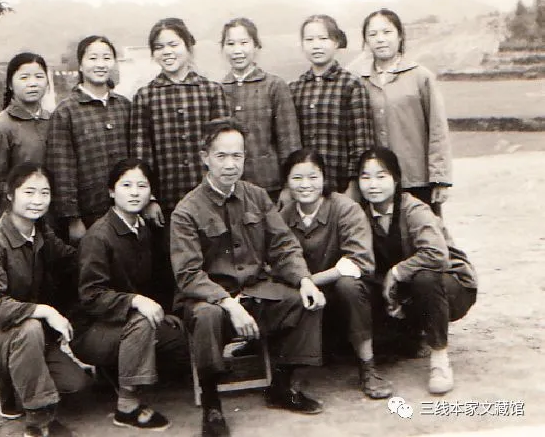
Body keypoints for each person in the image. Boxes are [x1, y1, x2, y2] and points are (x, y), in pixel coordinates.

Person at [170, 118, 326, 437]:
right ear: (204, 158)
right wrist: (228, 304)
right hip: (210, 299)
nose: (230, 164)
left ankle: (281, 385)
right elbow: (188, 274)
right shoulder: (186, 211)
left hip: (255, 291)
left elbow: (283, 245)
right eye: (221, 156)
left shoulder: (256, 196)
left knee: (304, 301)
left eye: (237, 155)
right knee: (207, 316)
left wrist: (304, 280)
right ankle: (212, 405)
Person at [0, 163, 90, 437]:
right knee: (29, 327)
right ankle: (39, 422)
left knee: (75, 385)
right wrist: (44, 311)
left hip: (22, 337)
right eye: (29, 192)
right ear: (10, 194)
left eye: (44, 193)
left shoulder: (41, 234)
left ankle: (11, 387)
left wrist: (102, 247)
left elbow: (73, 260)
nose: (37, 200)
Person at [71, 159, 189, 431]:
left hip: (121, 323)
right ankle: (127, 406)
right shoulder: (99, 236)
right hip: (91, 330)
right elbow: (91, 295)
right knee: (142, 322)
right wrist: (135, 301)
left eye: (142, 186)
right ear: (111, 191)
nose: (134, 193)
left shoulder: (142, 229)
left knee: (177, 338)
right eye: (126, 185)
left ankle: (114, 372)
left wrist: (164, 311)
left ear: (151, 193)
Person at [357, 147, 477, 394]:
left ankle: (440, 358)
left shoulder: (414, 209)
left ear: (396, 179)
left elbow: (436, 255)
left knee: (425, 277)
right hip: (404, 290)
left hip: (450, 285)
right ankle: (408, 336)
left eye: (381, 176)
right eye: (365, 177)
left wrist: (396, 272)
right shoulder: (361, 214)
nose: (373, 184)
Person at [131, 18, 230, 310]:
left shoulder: (210, 90)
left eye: (173, 44)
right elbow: (142, 153)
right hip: (168, 203)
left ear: (189, 47)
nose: (167, 52)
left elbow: (223, 147)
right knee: (172, 267)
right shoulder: (146, 96)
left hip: (209, 198)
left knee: (215, 263)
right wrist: (150, 199)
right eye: (159, 47)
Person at [279, 148, 392, 399]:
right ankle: (295, 368)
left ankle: (368, 367)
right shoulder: (284, 216)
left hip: (350, 293)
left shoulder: (345, 208)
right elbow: (277, 259)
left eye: (313, 177)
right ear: (286, 181)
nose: (305, 185)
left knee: (348, 285)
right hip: (308, 295)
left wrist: (309, 281)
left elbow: (359, 261)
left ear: (324, 178)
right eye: (297, 178)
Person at [355, 8, 452, 216]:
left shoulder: (420, 77)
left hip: (416, 178)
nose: (380, 39)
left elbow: (437, 129)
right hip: (375, 182)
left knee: (424, 230)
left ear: (400, 36)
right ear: (366, 40)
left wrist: (440, 179)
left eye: (387, 32)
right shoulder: (358, 80)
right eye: (373, 34)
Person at [46, 35, 131, 243]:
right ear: (81, 65)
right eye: (93, 58)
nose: (100, 64)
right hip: (88, 214)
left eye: (107, 58)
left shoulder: (125, 106)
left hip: (127, 209)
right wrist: (73, 219)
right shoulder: (66, 112)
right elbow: (62, 170)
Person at [289, 14, 373, 198]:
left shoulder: (351, 85)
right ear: (302, 45)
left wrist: (354, 185)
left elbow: (361, 143)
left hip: (340, 185)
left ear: (336, 42)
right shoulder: (295, 88)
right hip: (305, 187)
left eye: (323, 38)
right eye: (309, 40)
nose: (316, 45)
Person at [219, 17, 301, 203]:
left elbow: (289, 141)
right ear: (223, 48)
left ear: (256, 46)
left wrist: (289, 187)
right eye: (230, 44)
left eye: (244, 43)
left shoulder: (274, 86)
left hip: (270, 186)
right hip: (230, 188)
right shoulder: (218, 89)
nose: (237, 50)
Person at [0, 52, 51, 220]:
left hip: (57, 218)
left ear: (47, 82)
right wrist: (20, 207)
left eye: (39, 77)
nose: (33, 83)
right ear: (10, 84)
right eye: (24, 78)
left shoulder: (55, 121)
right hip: (20, 219)